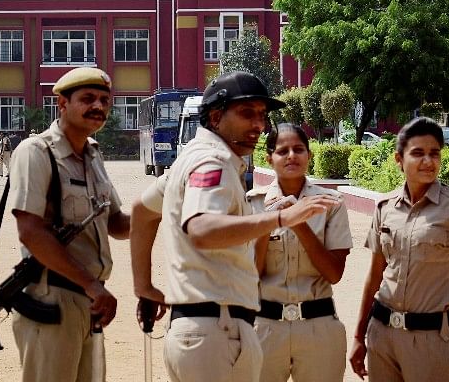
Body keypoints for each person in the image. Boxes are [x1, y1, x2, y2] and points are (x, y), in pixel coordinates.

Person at [130, 71, 337, 382]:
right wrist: (282, 218)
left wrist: (144, 286)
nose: (258, 125)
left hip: (202, 331)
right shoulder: (213, 162)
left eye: (262, 115)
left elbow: (140, 212)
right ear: (216, 117)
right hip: (216, 332)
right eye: (246, 113)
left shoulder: (190, 160)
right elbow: (200, 229)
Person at [349, 117, 449, 381]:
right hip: (382, 336)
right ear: (399, 159)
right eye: (418, 153)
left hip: (430, 340)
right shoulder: (385, 207)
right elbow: (374, 276)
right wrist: (359, 337)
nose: (428, 162)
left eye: (434, 154)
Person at [9, 66, 131, 382]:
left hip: (90, 302)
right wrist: (90, 284)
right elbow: (31, 232)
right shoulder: (37, 152)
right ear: (62, 104)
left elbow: (116, 223)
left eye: (105, 100)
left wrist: (163, 208)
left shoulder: (92, 155)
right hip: (53, 297)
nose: (99, 107)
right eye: (88, 98)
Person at [247, 123, 353, 382]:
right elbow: (251, 275)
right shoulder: (252, 203)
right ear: (268, 158)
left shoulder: (331, 204)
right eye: (282, 151)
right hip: (264, 327)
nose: (291, 156)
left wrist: (298, 220)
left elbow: (333, 273)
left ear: (310, 155)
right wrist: (270, 220)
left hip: (318, 327)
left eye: (299, 149)